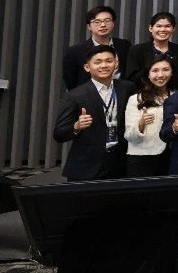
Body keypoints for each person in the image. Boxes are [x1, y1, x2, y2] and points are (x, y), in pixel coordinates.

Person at [54, 44, 133, 181]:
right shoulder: (75, 96)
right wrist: (76, 126)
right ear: (87, 67)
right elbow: (59, 134)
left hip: (120, 163)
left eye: (109, 61)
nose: (104, 65)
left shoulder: (127, 88)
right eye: (98, 62)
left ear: (116, 64)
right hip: (88, 165)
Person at [124, 55, 175, 176]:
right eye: (155, 70)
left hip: (170, 156)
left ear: (172, 73)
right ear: (148, 74)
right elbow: (129, 137)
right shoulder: (136, 99)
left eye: (166, 70)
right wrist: (141, 123)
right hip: (142, 159)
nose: (161, 75)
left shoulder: (176, 97)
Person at [61, 6, 132, 91]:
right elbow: (70, 81)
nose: (103, 25)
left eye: (107, 21)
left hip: (119, 95)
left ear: (113, 24)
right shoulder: (74, 51)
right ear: (89, 26)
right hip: (89, 97)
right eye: (97, 22)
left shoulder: (124, 45)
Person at [124, 12, 178, 85]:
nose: (163, 29)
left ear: (173, 29)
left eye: (167, 26)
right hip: (144, 93)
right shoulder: (136, 50)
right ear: (150, 28)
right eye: (159, 26)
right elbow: (131, 78)